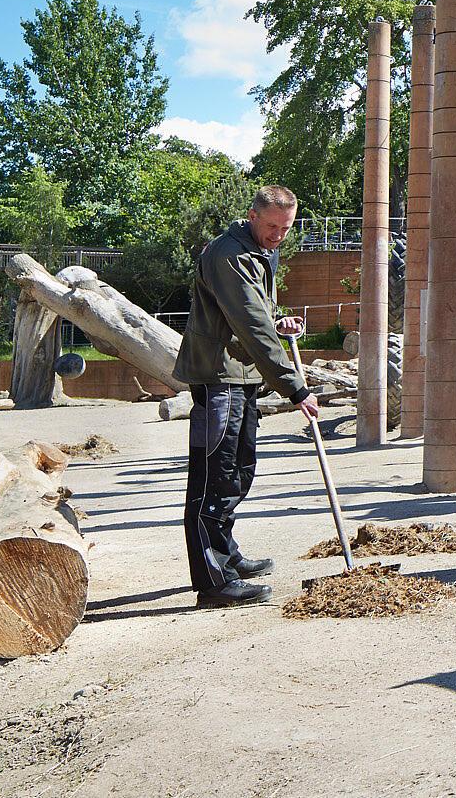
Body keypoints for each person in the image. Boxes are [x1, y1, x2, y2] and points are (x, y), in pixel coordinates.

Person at [174, 184, 320, 608]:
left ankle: (227, 556)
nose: (279, 235)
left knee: (237, 471)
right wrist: (294, 387)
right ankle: (214, 582)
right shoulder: (229, 255)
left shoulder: (255, 250)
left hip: (240, 377)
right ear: (253, 215)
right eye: (272, 226)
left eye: (286, 228)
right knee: (213, 478)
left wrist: (279, 321)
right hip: (218, 377)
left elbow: (257, 315)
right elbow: (250, 324)